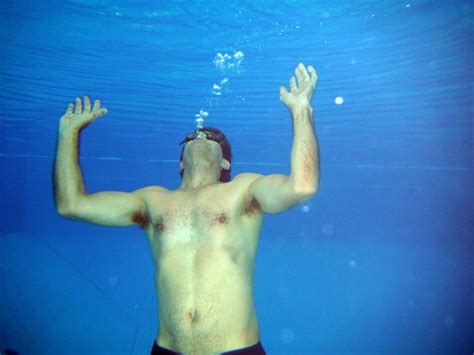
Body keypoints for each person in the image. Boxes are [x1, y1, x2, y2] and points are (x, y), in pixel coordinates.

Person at [54, 63, 320, 355]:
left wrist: (301, 110)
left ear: (225, 164)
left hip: (237, 350)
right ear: (180, 163)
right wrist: (68, 132)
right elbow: (72, 204)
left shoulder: (243, 191)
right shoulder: (152, 201)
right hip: (167, 350)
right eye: (191, 136)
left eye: (214, 137)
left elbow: (302, 186)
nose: (200, 136)